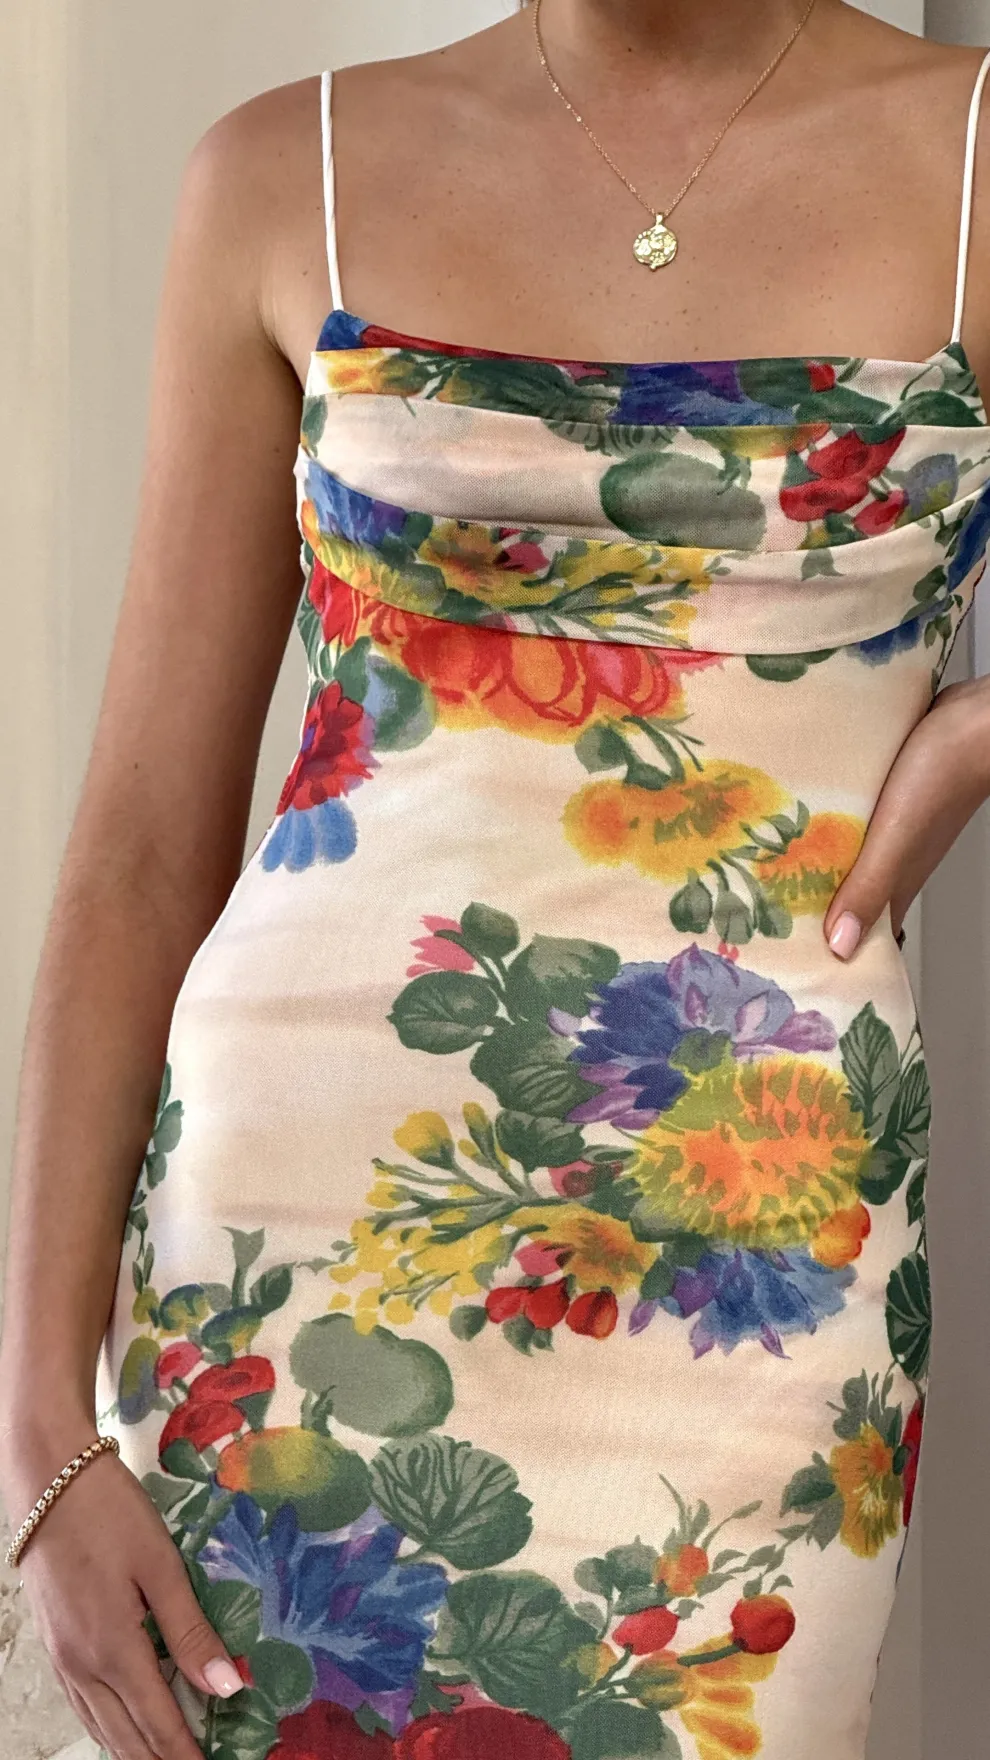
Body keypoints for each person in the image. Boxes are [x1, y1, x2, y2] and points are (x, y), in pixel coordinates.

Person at [3, 3, 990, 1756]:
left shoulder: (972, 151)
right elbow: (145, 843)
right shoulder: (279, 175)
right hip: (280, 1242)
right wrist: (39, 1441)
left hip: (758, 1250)